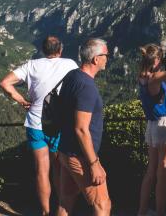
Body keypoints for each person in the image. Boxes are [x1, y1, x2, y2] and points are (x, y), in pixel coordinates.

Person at [0, 35, 78, 215]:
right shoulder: (70, 64)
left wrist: (21, 100)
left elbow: (5, 83)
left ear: (43, 50)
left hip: (35, 122)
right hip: (58, 123)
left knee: (42, 171)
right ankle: (61, 209)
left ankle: (45, 211)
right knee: (59, 169)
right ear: (60, 50)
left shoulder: (31, 65)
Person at [56, 38, 111, 216]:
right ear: (96, 59)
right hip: (80, 157)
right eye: (106, 55)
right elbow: (81, 128)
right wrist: (94, 164)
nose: (107, 58)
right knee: (102, 205)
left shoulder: (72, 75)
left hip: (65, 150)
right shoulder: (87, 86)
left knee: (66, 202)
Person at [137, 44, 166, 216]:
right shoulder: (155, 77)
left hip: (153, 124)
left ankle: (142, 211)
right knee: (163, 174)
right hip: (165, 125)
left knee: (151, 171)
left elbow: (159, 98)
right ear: (156, 60)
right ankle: (160, 212)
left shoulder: (144, 76)